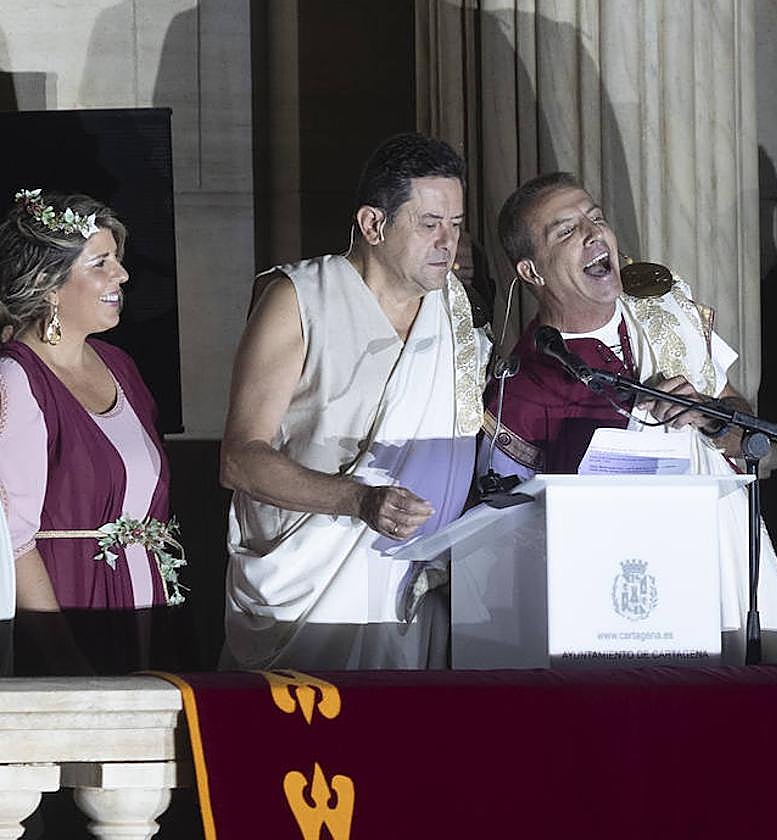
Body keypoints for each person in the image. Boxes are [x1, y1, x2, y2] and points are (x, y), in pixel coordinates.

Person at [480, 172, 777, 663]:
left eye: (596, 218)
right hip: (615, 617)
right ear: (532, 273)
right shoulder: (523, 387)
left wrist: (710, 418)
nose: (595, 234)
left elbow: (763, 449)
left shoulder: (665, 314)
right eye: (567, 231)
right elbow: (505, 540)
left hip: (728, 578)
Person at [221, 133, 490, 670]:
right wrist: (359, 501)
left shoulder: (457, 312)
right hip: (310, 585)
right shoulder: (298, 299)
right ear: (373, 224)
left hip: (412, 588)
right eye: (429, 224)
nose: (449, 244)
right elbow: (239, 460)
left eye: (456, 226)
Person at [0, 189, 186, 675]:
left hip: (144, 603)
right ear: (49, 286)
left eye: (117, 260)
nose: (121, 275)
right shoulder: (16, 378)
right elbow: (12, 537)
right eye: (100, 263)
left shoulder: (120, 366)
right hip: (71, 610)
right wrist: (63, 658)